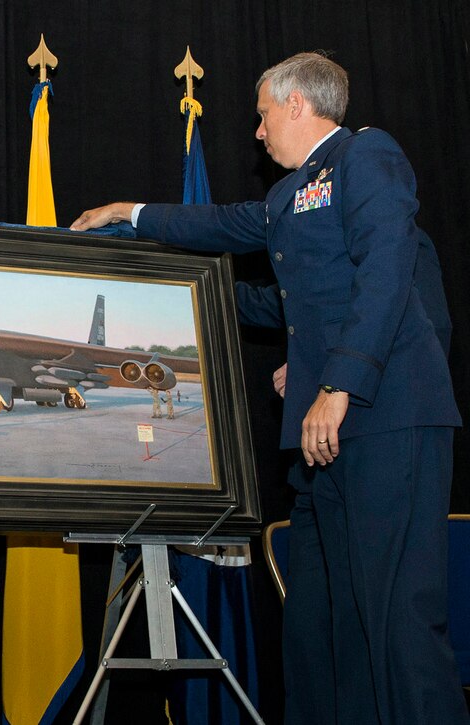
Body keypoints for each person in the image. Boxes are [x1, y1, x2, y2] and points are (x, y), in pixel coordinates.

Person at [71, 52, 466, 725]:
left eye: (260, 116)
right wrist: (132, 221)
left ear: (294, 104)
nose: (257, 133)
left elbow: (388, 269)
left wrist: (336, 380)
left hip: (385, 420)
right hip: (324, 448)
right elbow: (226, 231)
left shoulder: (365, 156)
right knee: (322, 628)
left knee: (396, 621)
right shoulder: (289, 197)